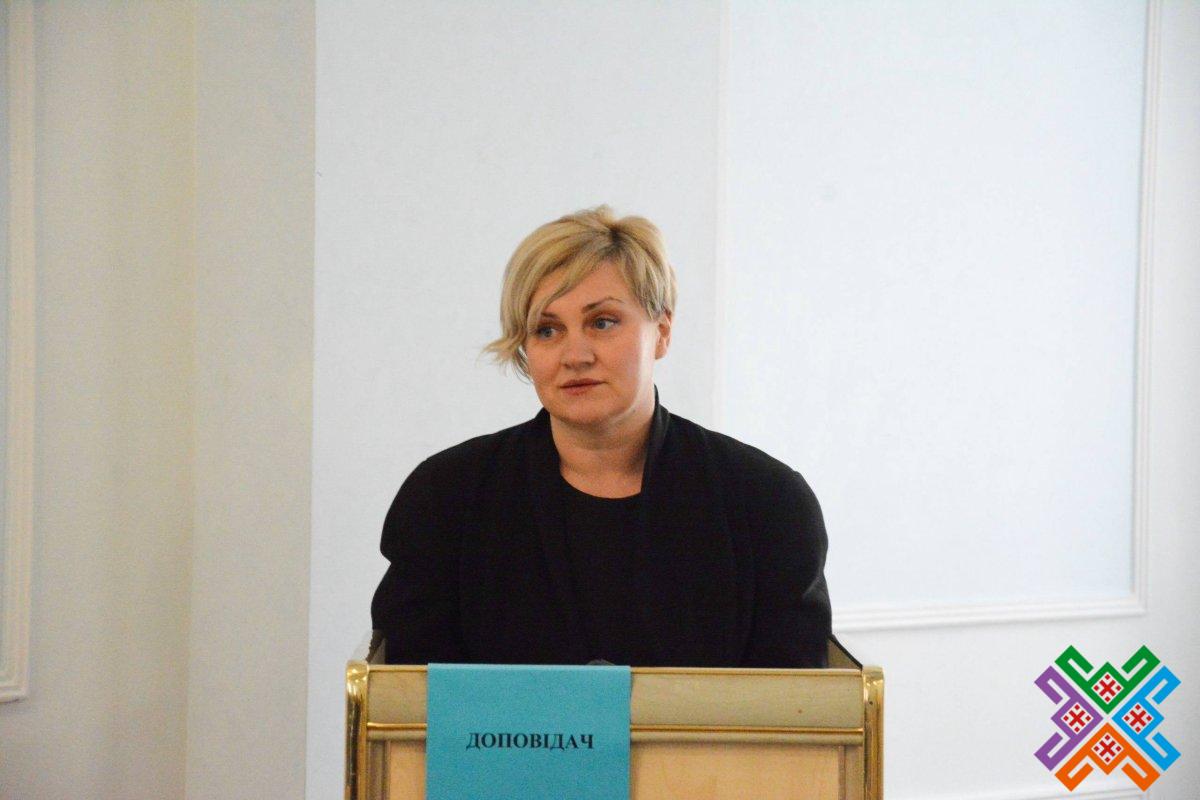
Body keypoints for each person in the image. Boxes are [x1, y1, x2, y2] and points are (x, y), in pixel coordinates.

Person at [371, 206, 831, 667]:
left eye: (603, 322)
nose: (576, 355)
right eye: (547, 330)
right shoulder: (445, 497)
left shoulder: (768, 503)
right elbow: (410, 698)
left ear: (662, 331)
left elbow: (795, 703)